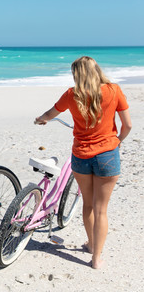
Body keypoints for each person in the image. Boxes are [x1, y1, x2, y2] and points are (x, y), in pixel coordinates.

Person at [35, 56, 132, 269]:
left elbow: (51, 113)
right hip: (107, 154)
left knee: (88, 204)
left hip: (81, 155)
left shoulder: (72, 95)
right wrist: (117, 142)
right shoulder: (114, 90)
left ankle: (90, 244)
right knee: (101, 209)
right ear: (96, 70)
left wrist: (41, 118)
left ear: (77, 75)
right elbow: (127, 126)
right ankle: (96, 258)